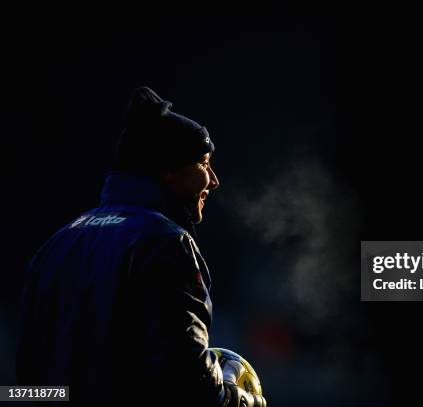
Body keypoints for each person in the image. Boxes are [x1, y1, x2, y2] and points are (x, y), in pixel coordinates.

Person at [16, 87, 266, 406]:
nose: (213, 180)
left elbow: (26, 378)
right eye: (204, 163)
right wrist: (235, 397)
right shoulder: (165, 242)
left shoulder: (58, 242)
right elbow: (186, 374)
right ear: (168, 171)